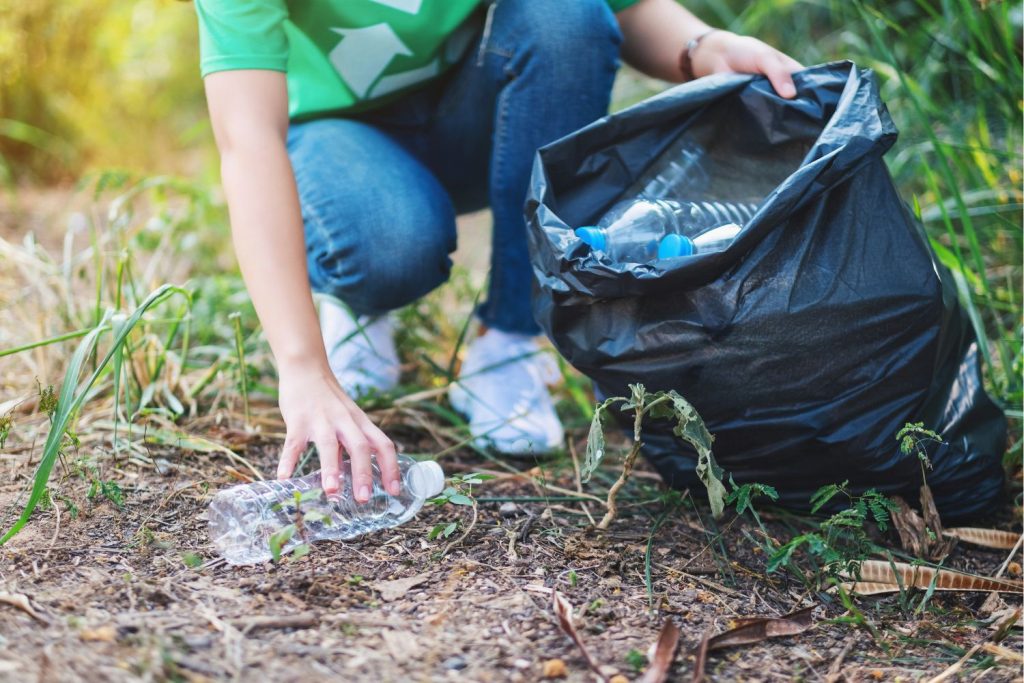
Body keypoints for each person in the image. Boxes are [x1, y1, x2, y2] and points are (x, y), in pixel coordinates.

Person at [195, 0, 802, 502]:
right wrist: (303, 367)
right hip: (335, 139)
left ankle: (510, 340)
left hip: (470, 115)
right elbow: (248, 141)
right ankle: (355, 294)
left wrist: (701, 46)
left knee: (567, 12)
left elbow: (617, 11)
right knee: (389, 245)